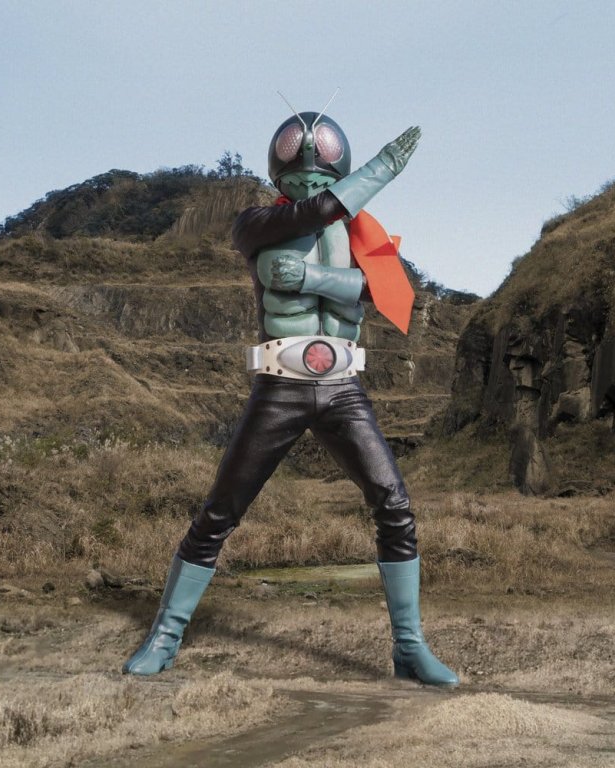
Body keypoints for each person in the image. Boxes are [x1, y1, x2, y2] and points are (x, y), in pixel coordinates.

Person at [123, 105, 458, 687]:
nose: (310, 181)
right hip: (279, 385)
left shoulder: (363, 235)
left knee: (395, 508)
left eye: (320, 171)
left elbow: (386, 291)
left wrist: (311, 279)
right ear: (278, 174)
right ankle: (164, 638)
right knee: (220, 512)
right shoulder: (257, 223)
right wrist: (382, 168)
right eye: (298, 173)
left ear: (338, 171)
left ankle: (410, 648)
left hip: (343, 388)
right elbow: (316, 214)